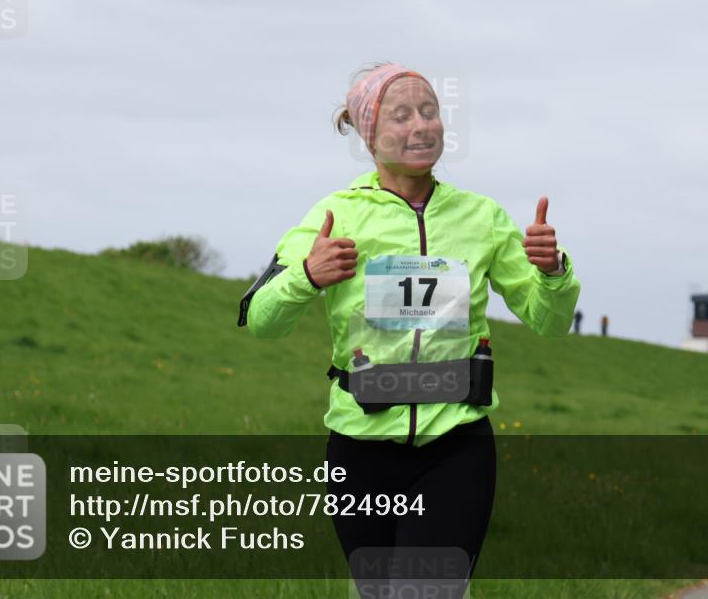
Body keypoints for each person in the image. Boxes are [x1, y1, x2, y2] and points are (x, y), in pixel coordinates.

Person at [237, 62, 581, 593]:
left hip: (456, 446)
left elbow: (548, 322)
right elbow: (262, 321)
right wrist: (307, 275)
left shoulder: (481, 217)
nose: (421, 126)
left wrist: (552, 273)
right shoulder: (335, 216)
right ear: (369, 135)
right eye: (401, 116)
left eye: (430, 112)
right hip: (360, 447)